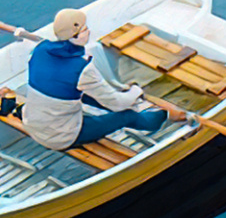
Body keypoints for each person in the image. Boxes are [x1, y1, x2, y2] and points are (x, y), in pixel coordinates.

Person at [13, 8, 185, 151]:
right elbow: (118, 104)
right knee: (127, 115)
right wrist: (136, 91)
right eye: (85, 28)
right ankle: (168, 116)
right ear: (77, 36)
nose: (88, 31)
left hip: (32, 121)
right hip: (60, 137)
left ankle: (121, 104)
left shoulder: (40, 50)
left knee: (81, 94)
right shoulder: (82, 69)